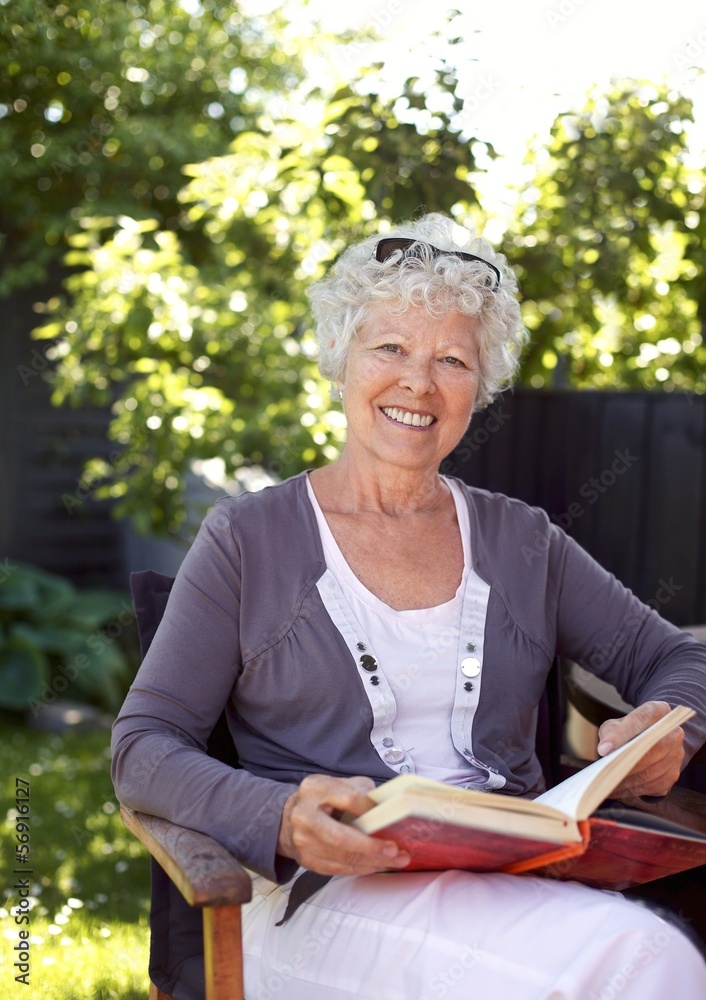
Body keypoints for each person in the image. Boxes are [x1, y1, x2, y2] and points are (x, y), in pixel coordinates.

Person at [112, 212, 706, 999]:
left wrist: (675, 724)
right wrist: (281, 814)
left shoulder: (521, 539)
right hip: (319, 906)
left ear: (478, 386)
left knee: (639, 954)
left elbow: (681, 655)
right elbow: (143, 747)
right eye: (390, 348)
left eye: (451, 359)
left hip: (507, 887)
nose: (418, 383)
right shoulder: (245, 541)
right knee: (638, 961)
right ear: (341, 358)